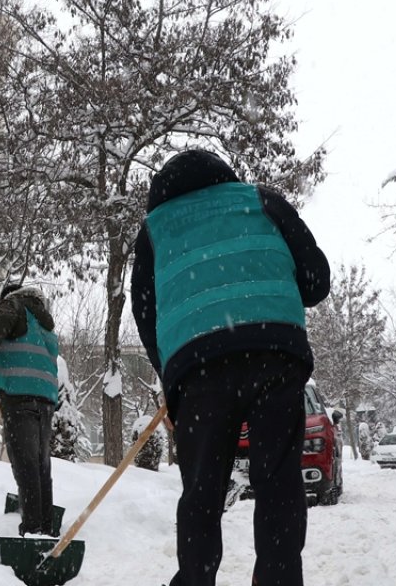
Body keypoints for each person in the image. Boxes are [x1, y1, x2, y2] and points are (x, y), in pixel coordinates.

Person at [130, 149, 330, 586]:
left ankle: (194, 579)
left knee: (201, 491)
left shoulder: (155, 230)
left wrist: (171, 380)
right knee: (278, 482)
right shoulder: (262, 200)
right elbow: (316, 281)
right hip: (274, 352)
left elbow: (146, 313)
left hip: (197, 368)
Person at [0, 283, 60, 537]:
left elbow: (2, 321)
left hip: (18, 396)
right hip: (45, 399)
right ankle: (45, 525)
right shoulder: (43, 322)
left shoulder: (12, 305)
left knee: (25, 464)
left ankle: (32, 529)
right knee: (41, 464)